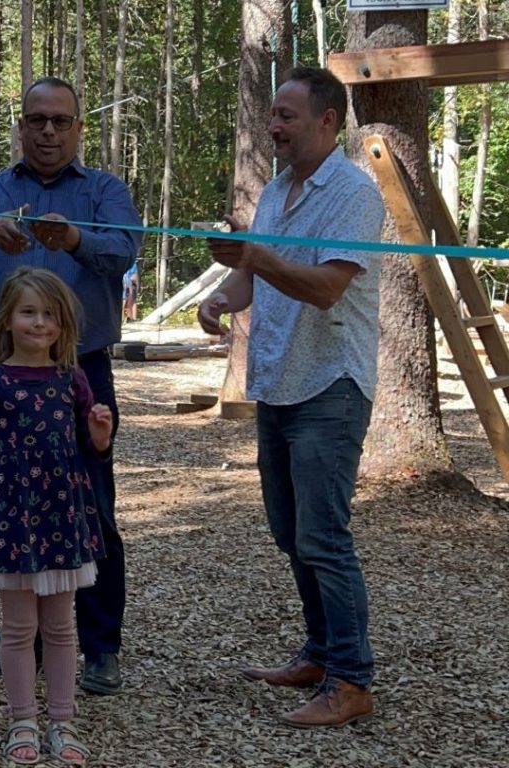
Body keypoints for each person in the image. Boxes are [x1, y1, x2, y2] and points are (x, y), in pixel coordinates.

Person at [0, 77, 141, 695]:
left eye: (60, 121)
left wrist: (76, 239)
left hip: (80, 371)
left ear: (78, 127)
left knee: (91, 508)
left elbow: (128, 247)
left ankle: (99, 647)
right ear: (20, 127)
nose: (48, 131)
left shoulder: (104, 189)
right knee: (3, 505)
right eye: (36, 120)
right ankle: (20, 644)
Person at [198, 66, 386, 728]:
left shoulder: (356, 196)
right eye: (271, 116)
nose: (272, 126)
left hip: (330, 385)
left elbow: (326, 286)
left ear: (328, 123)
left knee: (323, 536)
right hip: (278, 383)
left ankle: (352, 679)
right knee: (290, 532)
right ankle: (320, 652)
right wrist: (222, 296)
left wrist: (253, 256)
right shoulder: (278, 190)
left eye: (286, 115)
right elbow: (260, 277)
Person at [0, 267, 112, 765]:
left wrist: (100, 435)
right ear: (7, 320)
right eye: (29, 312)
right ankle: (22, 719)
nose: (39, 323)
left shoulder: (73, 380)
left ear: (64, 325)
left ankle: (62, 723)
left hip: (62, 517)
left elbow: (92, 455)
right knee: (19, 628)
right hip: (10, 517)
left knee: (62, 627)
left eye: (49, 315)